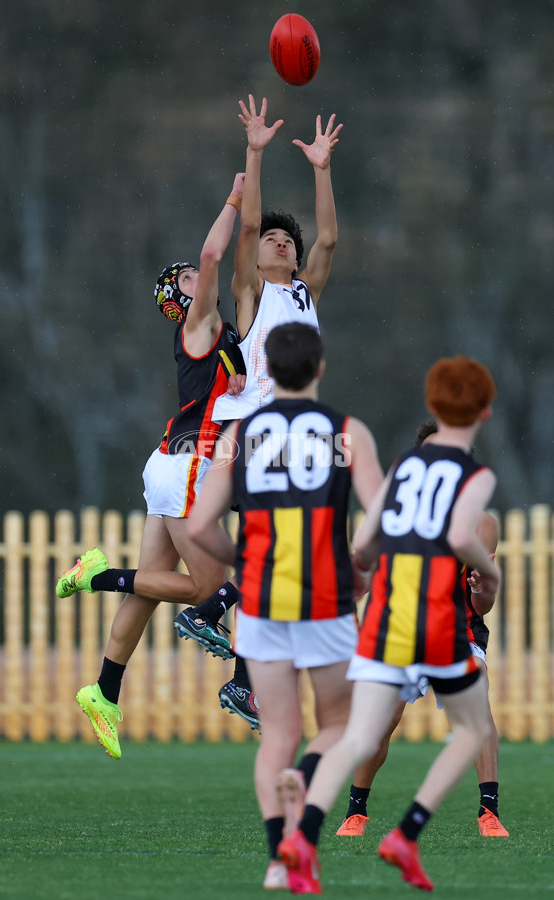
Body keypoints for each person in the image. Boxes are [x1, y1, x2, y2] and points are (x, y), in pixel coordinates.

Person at [278, 354, 500, 894]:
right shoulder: (475, 475)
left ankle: (303, 835)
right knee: (471, 729)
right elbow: (463, 538)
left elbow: (364, 544)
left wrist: (364, 572)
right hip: (436, 622)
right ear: (485, 413)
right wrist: (487, 575)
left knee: (358, 735)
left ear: (432, 406)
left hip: (386, 622)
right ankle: (407, 832)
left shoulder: (402, 469)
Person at [55, 174, 257, 758]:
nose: (202, 276)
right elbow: (216, 251)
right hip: (188, 465)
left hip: (170, 464)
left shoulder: (215, 337)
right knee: (209, 586)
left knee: (147, 591)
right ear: (184, 295)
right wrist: (236, 196)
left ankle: (104, 690)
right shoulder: (196, 325)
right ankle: (93, 575)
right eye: (192, 279)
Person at [187, 322, 385, 891]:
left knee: (278, 732)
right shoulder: (347, 433)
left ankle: (279, 860)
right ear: (321, 367)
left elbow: (201, 525)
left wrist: (242, 561)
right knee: (341, 726)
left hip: (263, 604)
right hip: (325, 601)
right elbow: (379, 517)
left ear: (268, 371)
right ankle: (307, 792)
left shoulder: (240, 436)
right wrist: (360, 564)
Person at [174, 93, 344, 663]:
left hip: (290, 435)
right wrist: (255, 153)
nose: (281, 241)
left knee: (276, 552)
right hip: (251, 430)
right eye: (274, 239)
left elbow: (329, 240)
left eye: (287, 242)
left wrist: (322, 171)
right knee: (280, 547)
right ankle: (216, 619)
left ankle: (224, 635)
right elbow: (248, 225)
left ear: (296, 261)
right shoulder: (253, 294)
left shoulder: (303, 290)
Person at [337, 420, 509, 839]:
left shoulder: (482, 523)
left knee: (476, 699)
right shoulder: (397, 510)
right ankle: (355, 811)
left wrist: (481, 587)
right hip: (403, 630)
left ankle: (489, 812)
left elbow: (481, 605)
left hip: (457, 630)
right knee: (382, 719)